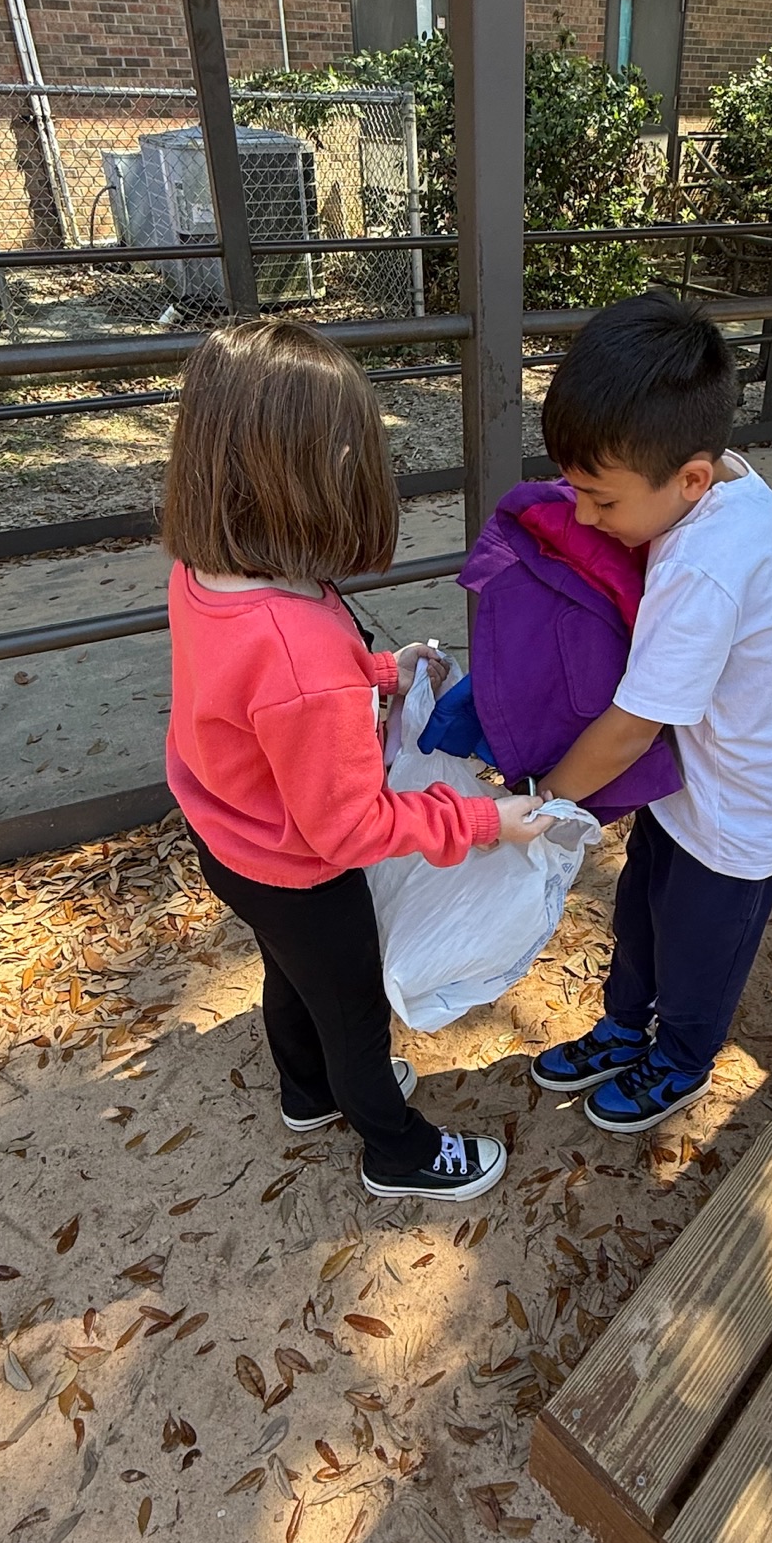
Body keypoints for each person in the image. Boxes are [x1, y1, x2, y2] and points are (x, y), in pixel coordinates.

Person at [162, 318, 548, 1201]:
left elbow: (254, 695)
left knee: (290, 973)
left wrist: (373, 675)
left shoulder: (204, 571)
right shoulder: (297, 647)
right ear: (312, 472)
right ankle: (395, 1148)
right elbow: (348, 826)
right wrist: (483, 821)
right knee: (353, 1012)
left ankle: (306, 1092)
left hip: (229, 839)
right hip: (302, 871)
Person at [532, 290, 772, 1133]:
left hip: (740, 818)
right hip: (688, 788)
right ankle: (625, 1027)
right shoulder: (724, 484)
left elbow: (632, 726)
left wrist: (545, 801)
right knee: (641, 915)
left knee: (700, 953)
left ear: (690, 477)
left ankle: (682, 1059)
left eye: (602, 500)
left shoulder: (705, 567)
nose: (584, 515)